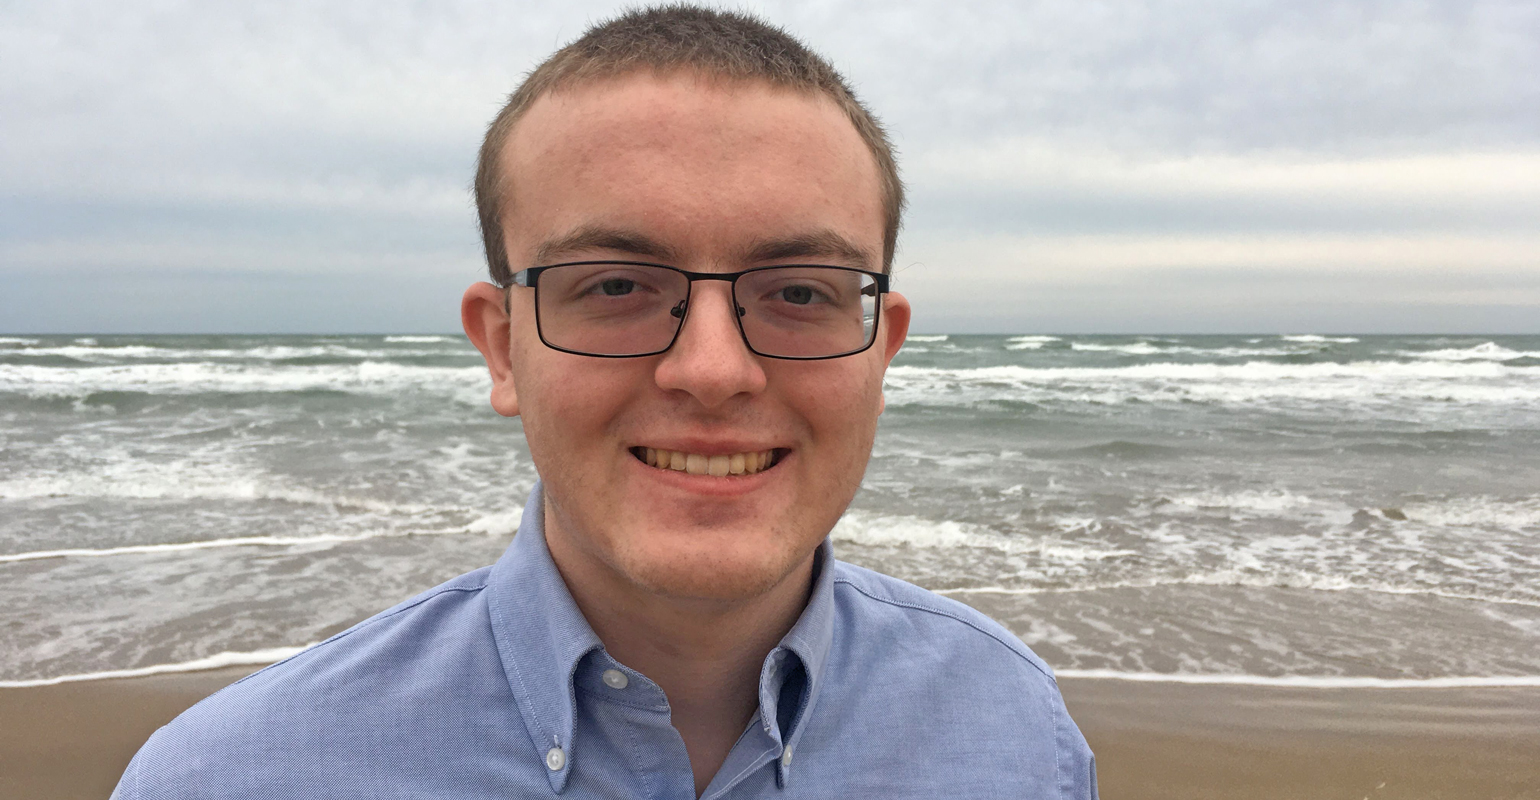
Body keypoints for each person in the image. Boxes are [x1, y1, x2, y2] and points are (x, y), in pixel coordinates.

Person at [113, 6, 1097, 798]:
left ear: (880, 351)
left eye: (800, 291)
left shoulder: (1018, 733)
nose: (712, 369)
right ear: (503, 346)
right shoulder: (229, 777)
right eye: (616, 284)